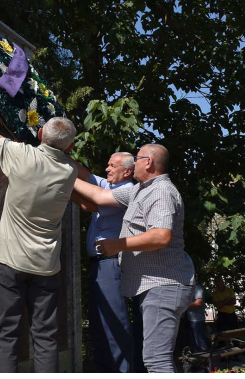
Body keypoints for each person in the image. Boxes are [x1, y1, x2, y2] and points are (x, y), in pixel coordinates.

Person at [72, 143, 195, 373]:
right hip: (153, 286)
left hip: (163, 284)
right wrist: (61, 172)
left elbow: (161, 235)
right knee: (153, 358)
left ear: (148, 162)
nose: (133, 162)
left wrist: (118, 244)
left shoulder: (161, 191)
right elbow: (97, 195)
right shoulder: (139, 190)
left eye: (137, 158)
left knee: (156, 360)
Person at [0, 97, 78, 373]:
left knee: (5, 334)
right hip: (46, 266)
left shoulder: (22, 156)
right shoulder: (69, 172)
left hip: (10, 261)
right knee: (45, 337)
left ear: (41, 134)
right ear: (70, 147)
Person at [71, 153, 136, 373]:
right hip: (99, 265)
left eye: (112, 166)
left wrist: (58, 175)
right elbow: (86, 174)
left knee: (113, 323)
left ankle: (122, 371)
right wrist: (59, 154)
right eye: (107, 164)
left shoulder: (126, 190)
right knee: (99, 323)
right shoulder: (109, 185)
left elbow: (89, 204)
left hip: (110, 264)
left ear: (127, 171)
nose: (107, 169)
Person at [184, 283, 209, 353]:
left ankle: (205, 360)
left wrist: (184, 305)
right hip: (191, 319)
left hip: (197, 320)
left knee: (200, 343)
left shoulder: (197, 287)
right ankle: (198, 360)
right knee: (193, 344)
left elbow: (198, 303)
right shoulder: (191, 288)